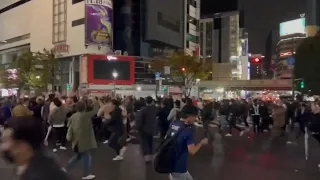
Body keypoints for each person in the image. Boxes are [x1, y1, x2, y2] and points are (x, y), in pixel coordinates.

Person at [0, 116, 70, 180]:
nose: (2, 146)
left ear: (23, 146)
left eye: (5, 141)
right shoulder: (29, 165)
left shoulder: (40, 175)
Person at [168, 104, 208, 180]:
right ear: (190, 116)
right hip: (179, 167)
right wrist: (201, 143)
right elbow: (192, 151)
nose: (196, 118)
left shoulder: (173, 123)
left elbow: (166, 139)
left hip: (171, 162)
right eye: (196, 116)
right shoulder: (188, 130)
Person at [64, 99, 99, 180]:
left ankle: (66, 169)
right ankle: (86, 174)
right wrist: (96, 101)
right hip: (83, 141)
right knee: (87, 157)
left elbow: (68, 124)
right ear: (85, 107)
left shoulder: (74, 115)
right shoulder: (84, 115)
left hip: (76, 141)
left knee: (78, 156)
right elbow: (95, 110)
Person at [136, 96, 157, 163]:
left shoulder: (143, 110)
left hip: (144, 129)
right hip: (152, 129)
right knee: (151, 143)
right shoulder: (154, 109)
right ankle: (151, 156)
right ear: (152, 101)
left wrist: (138, 128)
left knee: (145, 143)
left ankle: (147, 158)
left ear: (146, 101)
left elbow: (139, 120)